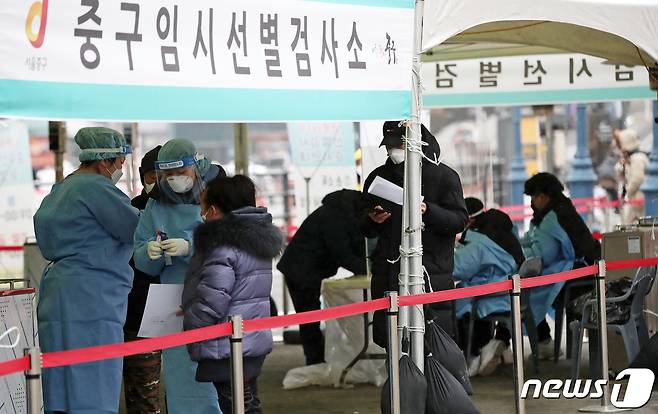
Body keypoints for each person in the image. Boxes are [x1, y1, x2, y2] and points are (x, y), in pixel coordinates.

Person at [34, 127, 140, 414]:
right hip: (92, 296)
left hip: (57, 292)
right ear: (105, 161)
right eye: (119, 161)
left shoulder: (62, 187)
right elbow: (135, 228)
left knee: (60, 377)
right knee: (93, 376)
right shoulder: (97, 188)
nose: (121, 167)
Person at [133, 139, 224, 414]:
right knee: (180, 373)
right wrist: (148, 253)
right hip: (173, 299)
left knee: (220, 370)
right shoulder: (156, 205)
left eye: (180, 174)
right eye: (168, 175)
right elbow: (142, 260)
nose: (175, 181)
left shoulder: (216, 195)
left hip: (212, 293)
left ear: (196, 167)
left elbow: (232, 241)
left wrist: (192, 245)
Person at [361, 121, 469, 346]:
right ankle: (398, 381)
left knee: (436, 342)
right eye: (389, 146)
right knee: (392, 343)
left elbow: (459, 220)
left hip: (432, 271)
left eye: (399, 144)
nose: (394, 151)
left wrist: (428, 210)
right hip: (389, 272)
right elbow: (361, 226)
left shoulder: (444, 177)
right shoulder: (377, 178)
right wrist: (372, 219)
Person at [182, 175, 283, 414]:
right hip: (250, 337)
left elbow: (214, 299)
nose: (202, 214)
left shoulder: (222, 244)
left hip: (226, 342)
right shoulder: (256, 239)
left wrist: (191, 321)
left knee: (237, 405)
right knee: (247, 401)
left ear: (215, 210)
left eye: (204, 207)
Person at [277, 189, 367, 365]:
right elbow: (342, 253)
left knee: (310, 317)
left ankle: (316, 360)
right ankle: (315, 362)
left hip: (302, 268)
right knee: (309, 318)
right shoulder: (335, 217)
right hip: (300, 270)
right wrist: (369, 269)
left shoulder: (338, 212)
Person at [522, 172, 600, 358]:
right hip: (583, 271)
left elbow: (544, 254)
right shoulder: (560, 209)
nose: (532, 202)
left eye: (534, 197)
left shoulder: (552, 217)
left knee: (526, 294)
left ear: (542, 196)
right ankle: (544, 341)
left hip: (577, 276)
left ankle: (544, 341)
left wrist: (520, 253)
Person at [454, 206, 525, 376]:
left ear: (469, 220)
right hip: (510, 294)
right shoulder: (507, 236)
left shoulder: (479, 242)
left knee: (458, 304)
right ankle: (500, 344)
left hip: (493, 297)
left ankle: (474, 353)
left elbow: (457, 269)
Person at [123, 145, 162, 414]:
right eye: (151, 176)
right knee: (143, 391)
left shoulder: (194, 209)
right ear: (141, 177)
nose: (158, 182)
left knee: (191, 387)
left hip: (185, 310)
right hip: (139, 312)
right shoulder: (128, 211)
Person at [614, 128, 649, 224]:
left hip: (639, 199)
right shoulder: (631, 159)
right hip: (636, 200)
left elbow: (637, 178)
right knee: (627, 226)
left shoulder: (637, 158)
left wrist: (628, 192)